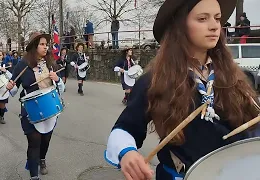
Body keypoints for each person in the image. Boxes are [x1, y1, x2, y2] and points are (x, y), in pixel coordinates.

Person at [104, 0, 260, 180]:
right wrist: (127, 153)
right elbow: (125, 128)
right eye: (202, 19)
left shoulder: (236, 77)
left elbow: (253, 127)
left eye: (217, 19)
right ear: (181, 25)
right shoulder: (154, 80)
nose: (214, 26)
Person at [6, 31, 65, 180]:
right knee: (34, 142)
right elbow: (13, 90)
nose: (46, 47)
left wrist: (57, 79)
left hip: (50, 107)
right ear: (34, 46)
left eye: (47, 44)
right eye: (42, 44)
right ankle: (34, 176)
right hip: (30, 110)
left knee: (45, 139)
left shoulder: (51, 64)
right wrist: (10, 86)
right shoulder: (22, 65)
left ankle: (42, 159)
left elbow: (61, 89)